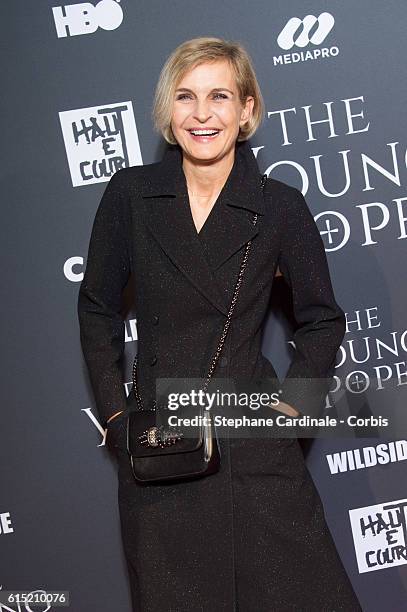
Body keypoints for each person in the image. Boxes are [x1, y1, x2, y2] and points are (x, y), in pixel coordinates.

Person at [78, 36, 362, 612]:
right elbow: (96, 307)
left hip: (254, 446)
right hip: (162, 448)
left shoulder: (278, 205)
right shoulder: (131, 195)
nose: (202, 114)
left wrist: (290, 409)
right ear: (167, 112)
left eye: (219, 97)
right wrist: (115, 412)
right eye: (185, 97)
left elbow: (322, 318)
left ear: (247, 110)